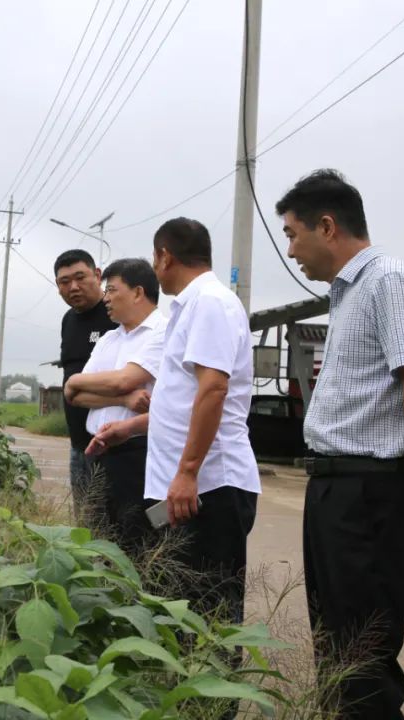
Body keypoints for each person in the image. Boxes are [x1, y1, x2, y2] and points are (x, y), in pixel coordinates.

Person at [275, 169, 404, 719]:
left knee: (362, 662)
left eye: (291, 233)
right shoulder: (346, 294)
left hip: (371, 494)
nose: (290, 249)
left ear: (326, 226)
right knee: (336, 653)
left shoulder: (390, 281)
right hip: (340, 490)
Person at [89, 218, 260, 626]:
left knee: (210, 611)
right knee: (180, 604)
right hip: (187, 489)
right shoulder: (190, 308)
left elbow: (214, 390)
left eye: (154, 256)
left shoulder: (210, 303)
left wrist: (187, 472)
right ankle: (186, 688)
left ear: (165, 256)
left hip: (209, 486)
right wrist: (127, 429)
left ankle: (214, 692)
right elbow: (181, 402)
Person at [65, 258, 166, 557]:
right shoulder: (110, 338)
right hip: (100, 456)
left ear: (137, 292)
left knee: (136, 543)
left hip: (139, 454)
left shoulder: (162, 331)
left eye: (111, 289)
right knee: (98, 543)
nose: (105, 298)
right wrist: (119, 398)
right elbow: (76, 395)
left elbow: (124, 380)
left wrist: (81, 381)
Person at [55, 249, 118, 514]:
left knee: (114, 526)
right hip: (78, 446)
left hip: (113, 445)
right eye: (64, 281)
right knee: (84, 526)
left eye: (80, 277)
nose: (73, 287)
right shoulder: (68, 320)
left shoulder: (116, 314)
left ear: (98, 275)